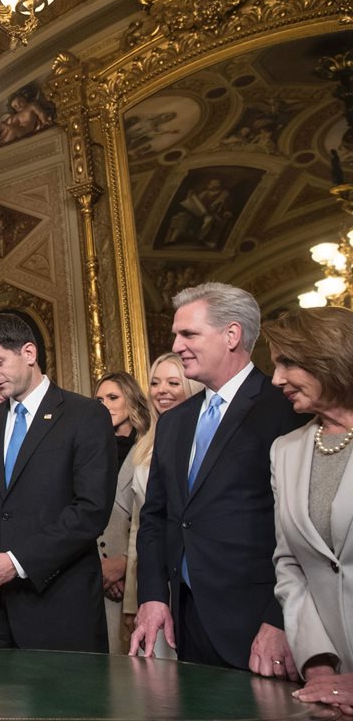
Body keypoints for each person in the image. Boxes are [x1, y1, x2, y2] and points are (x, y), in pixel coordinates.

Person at [132, 282, 306, 677]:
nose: (176, 345)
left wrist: (280, 619)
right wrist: (154, 596)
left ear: (232, 335)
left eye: (188, 334)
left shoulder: (283, 410)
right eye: (176, 334)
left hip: (260, 627)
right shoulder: (175, 422)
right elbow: (156, 518)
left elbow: (297, 529)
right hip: (187, 623)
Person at [0, 312, 117, 651]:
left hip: (58, 611)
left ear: (29, 353)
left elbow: (90, 509)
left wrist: (15, 562)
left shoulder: (85, 416)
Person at [261, 307, 353, 712]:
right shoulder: (286, 450)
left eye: (288, 362)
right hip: (325, 688)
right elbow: (290, 563)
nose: (276, 378)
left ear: (330, 357)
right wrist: (318, 665)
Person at [122, 353, 201, 655]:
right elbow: (140, 527)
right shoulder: (145, 443)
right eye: (155, 383)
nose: (161, 390)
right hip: (155, 580)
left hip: (191, 575)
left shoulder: (203, 440)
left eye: (172, 382)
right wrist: (137, 598)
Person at [93, 371, 152, 654]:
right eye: (99, 399)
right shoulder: (88, 451)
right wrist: (101, 569)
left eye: (113, 397)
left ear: (132, 402)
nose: (103, 404)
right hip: (97, 579)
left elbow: (156, 519)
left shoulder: (151, 448)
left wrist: (126, 567)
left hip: (142, 582)